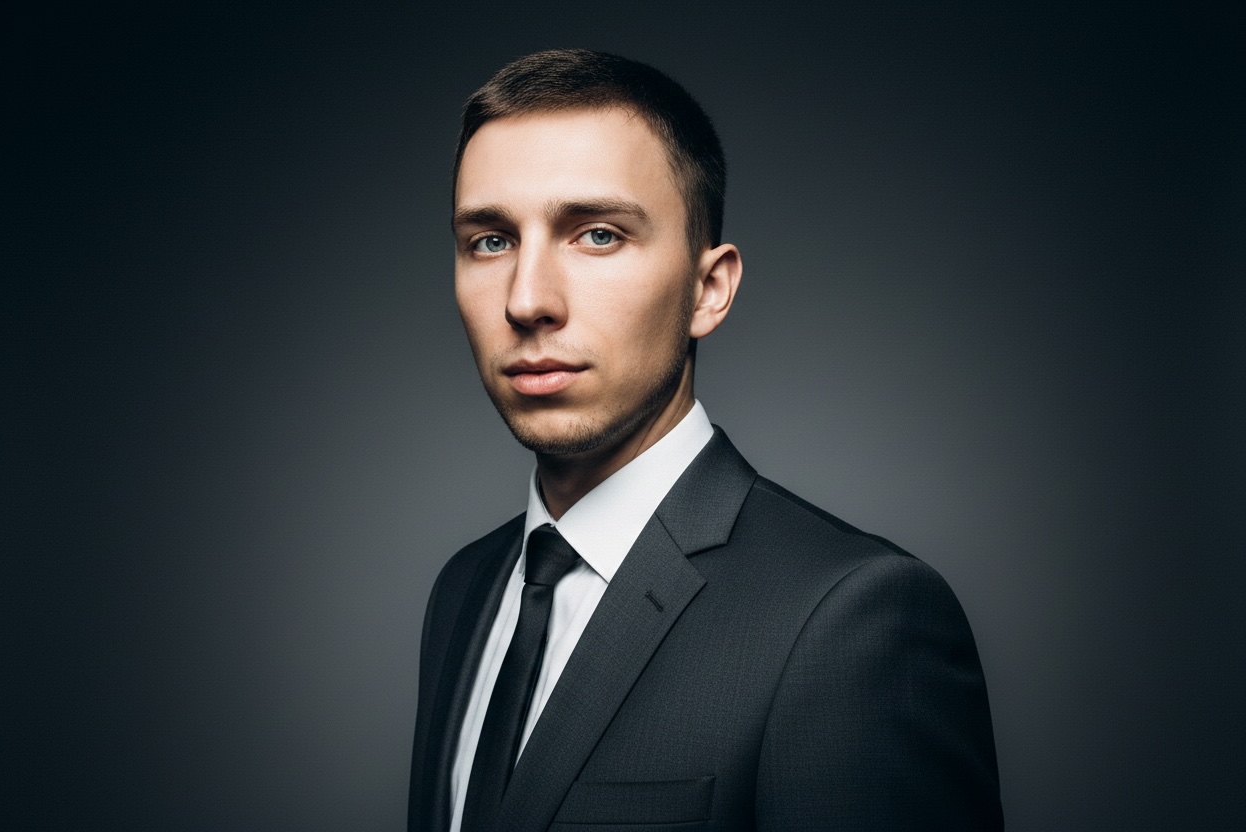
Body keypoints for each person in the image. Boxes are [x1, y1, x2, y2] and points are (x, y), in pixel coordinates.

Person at [408, 49, 1003, 832]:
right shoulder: (466, 589)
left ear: (708, 288)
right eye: (491, 241)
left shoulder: (853, 622)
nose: (527, 300)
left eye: (596, 234)